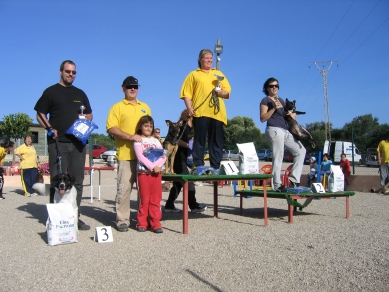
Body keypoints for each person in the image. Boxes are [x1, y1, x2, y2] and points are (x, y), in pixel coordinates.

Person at [34, 60, 93, 230]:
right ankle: (56, 217)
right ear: (61, 72)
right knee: (56, 180)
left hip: (78, 144)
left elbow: (89, 115)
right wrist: (49, 128)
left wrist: (85, 120)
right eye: (68, 71)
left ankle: (75, 216)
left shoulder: (80, 93)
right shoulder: (51, 92)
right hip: (58, 143)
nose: (71, 75)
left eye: (74, 72)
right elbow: (40, 114)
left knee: (78, 181)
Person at [106, 76, 151, 232]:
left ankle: (142, 220)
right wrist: (130, 136)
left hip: (145, 158)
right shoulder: (117, 107)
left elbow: (149, 128)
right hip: (126, 156)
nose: (133, 89)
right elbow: (111, 128)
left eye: (136, 86)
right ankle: (123, 220)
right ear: (123, 88)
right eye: (130, 86)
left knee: (144, 191)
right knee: (124, 190)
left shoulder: (145, 106)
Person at [180, 49, 231, 171]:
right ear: (200, 60)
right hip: (200, 112)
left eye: (211, 58)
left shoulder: (218, 73)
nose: (209, 60)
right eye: (206, 58)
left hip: (217, 113)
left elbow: (227, 92)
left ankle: (215, 167)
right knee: (199, 140)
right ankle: (199, 166)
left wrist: (220, 92)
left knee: (216, 141)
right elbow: (186, 93)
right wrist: (189, 108)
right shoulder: (193, 74)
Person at [259, 77, 306, 192]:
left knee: (301, 150)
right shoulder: (265, 100)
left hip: (285, 130)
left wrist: (291, 114)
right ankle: (277, 185)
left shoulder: (281, 100)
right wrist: (273, 108)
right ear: (267, 88)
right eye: (271, 86)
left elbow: (285, 116)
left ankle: (294, 180)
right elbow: (262, 118)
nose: (274, 87)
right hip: (274, 129)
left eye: (276, 86)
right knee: (278, 156)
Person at [164, 109, 207, 213]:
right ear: (184, 114)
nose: (191, 113)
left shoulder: (193, 126)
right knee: (188, 181)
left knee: (178, 184)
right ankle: (194, 206)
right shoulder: (180, 126)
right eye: (187, 112)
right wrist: (188, 145)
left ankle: (169, 205)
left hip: (186, 156)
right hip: (178, 157)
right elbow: (176, 140)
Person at [133, 116, 166, 233]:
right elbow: (140, 157)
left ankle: (155, 223)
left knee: (155, 199)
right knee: (144, 199)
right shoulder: (138, 140)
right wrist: (152, 167)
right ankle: (142, 223)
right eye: (146, 126)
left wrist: (157, 166)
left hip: (156, 174)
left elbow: (163, 155)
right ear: (140, 127)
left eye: (150, 126)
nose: (148, 128)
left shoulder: (156, 141)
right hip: (143, 173)